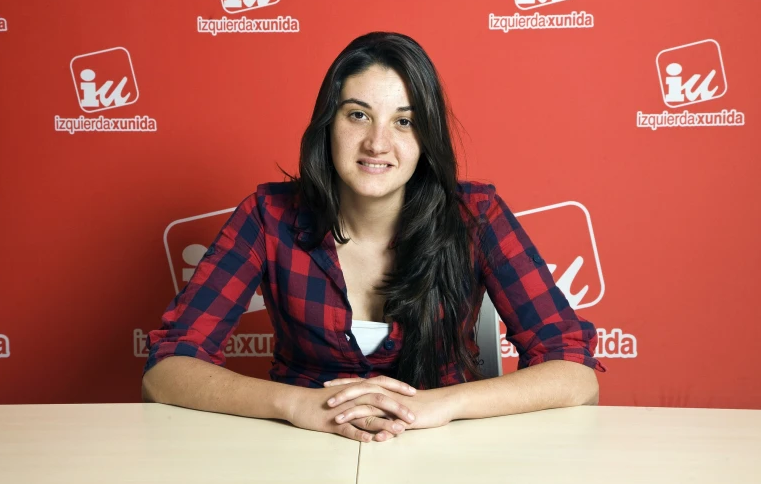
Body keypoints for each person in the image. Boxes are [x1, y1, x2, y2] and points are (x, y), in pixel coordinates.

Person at [141, 31, 606, 443]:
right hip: (299, 449)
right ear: (328, 124)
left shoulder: (475, 215)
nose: (377, 144)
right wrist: (294, 405)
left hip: (443, 449)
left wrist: (441, 405)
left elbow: (575, 374)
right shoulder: (267, 217)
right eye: (358, 115)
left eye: (404, 121)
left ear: (427, 139)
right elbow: (167, 369)